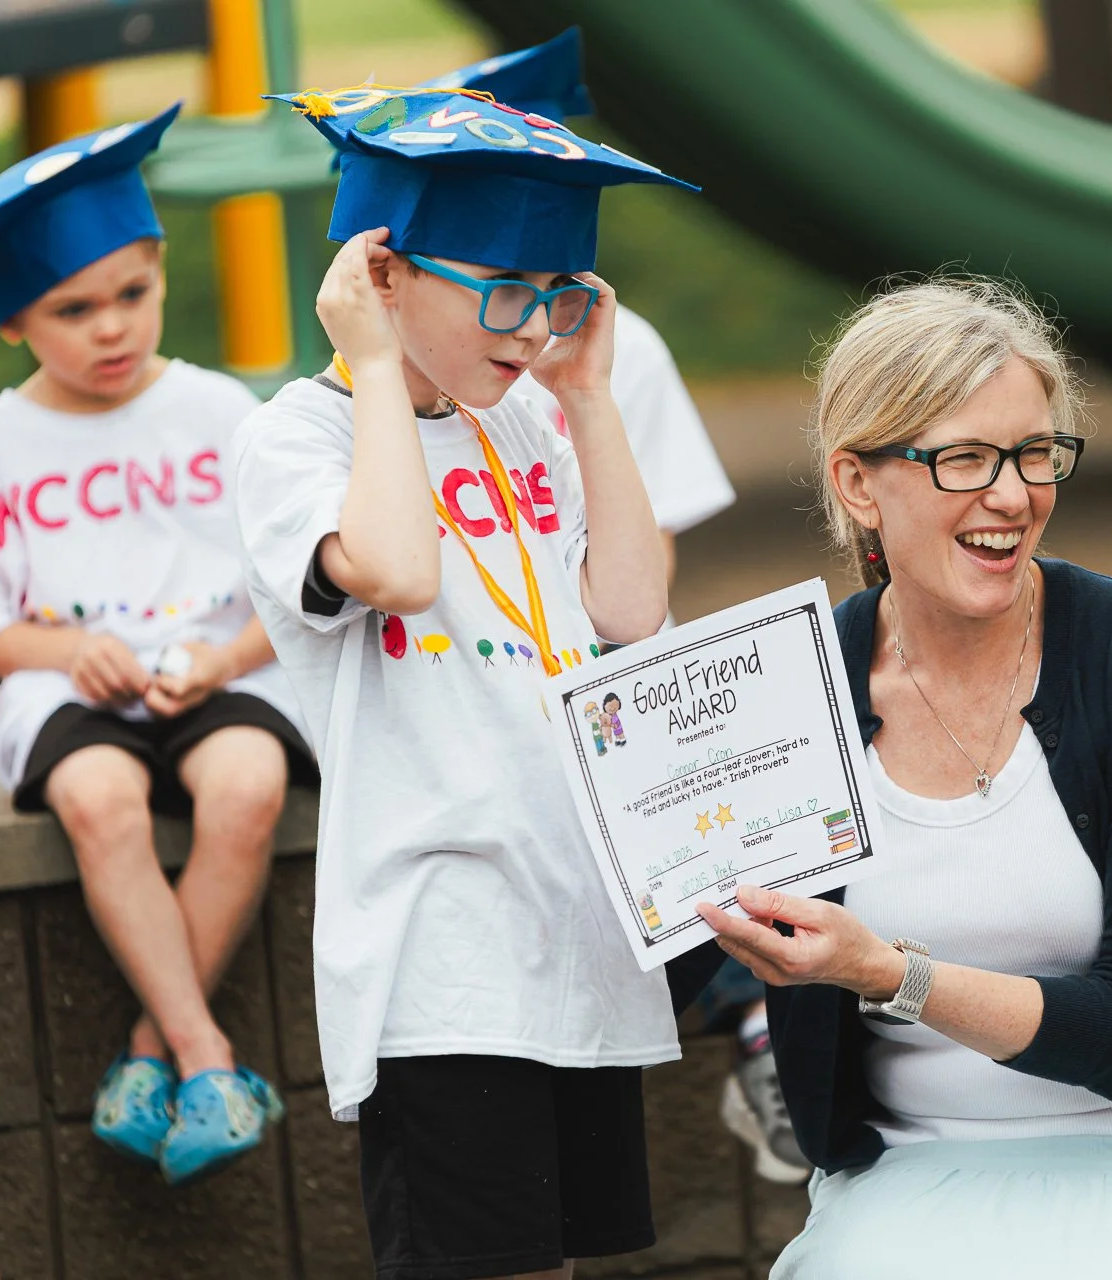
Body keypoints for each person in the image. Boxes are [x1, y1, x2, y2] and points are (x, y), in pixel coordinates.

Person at [687, 279, 1112, 1277]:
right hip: (919, 1167)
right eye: (963, 457)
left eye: (1035, 453)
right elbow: (670, 960)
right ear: (860, 484)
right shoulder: (791, 693)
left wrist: (889, 973)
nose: (1012, 494)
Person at [231, 71, 695, 1280]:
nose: (531, 328)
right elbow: (394, 567)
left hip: (576, 926)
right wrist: (378, 369)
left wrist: (586, 397)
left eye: (553, 295)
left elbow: (632, 607)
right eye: (501, 292)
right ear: (382, 275)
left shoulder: (527, 417)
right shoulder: (299, 436)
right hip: (444, 953)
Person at [0, 104, 311, 1186]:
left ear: (162, 274)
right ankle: (207, 1053)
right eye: (73, 309)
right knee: (100, 801)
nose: (112, 327)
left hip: (220, 668)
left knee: (250, 782)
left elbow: (297, 589)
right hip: (66, 688)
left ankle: (144, 1051)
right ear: (15, 323)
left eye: (133, 293)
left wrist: (222, 662)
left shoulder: (223, 412)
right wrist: (70, 654)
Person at [426, 31, 800, 1185]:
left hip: (605, 658)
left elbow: (646, 579)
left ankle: (775, 1028)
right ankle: (749, 1017)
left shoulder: (602, 354)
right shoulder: (412, 391)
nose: (529, 317)